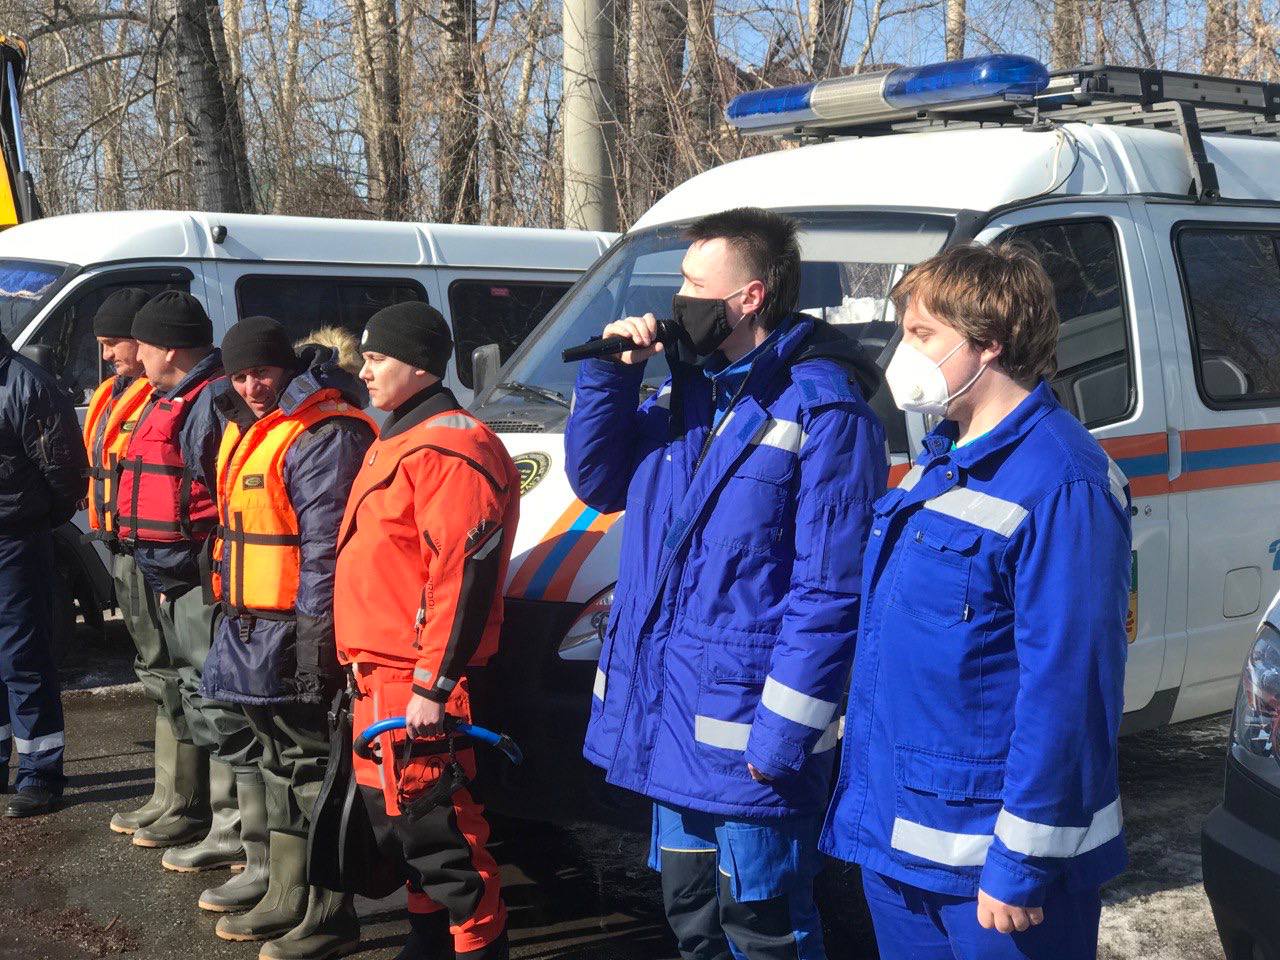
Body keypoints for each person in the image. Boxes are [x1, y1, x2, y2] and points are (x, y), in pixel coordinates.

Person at [564, 207, 887, 960]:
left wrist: (782, 737)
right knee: (692, 919)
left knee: (765, 927)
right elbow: (599, 479)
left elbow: (829, 595)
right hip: (675, 727)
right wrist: (611, 376)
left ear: (748, 298)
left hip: (750, 740)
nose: (676, 300)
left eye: (690, 284)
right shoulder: (691, 397)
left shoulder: (824, 411)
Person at [820, 243, 1131, 960]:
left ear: (987, 344)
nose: (903, 351)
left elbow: (1069, 694)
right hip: (906, 851)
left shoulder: (1063, 484)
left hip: (995, 878)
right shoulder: (942, 458)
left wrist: (1021, 865)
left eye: (923, 333)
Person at [334, 302, 519, 960]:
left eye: (377, 357)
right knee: (408, 832)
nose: (365, 369)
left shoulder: (451, 447)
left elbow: (461, 577)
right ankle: (427, 942)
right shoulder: (403, 437)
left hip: (415, 683)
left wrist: (432, 686)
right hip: (379, 680)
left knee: (446, 839)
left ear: (416, 364)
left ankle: (478, 948)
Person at [202, 317, 374, 958]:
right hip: (250, 625)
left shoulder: (322, 434)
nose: (251, 386)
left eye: (263, 373)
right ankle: (285, 890)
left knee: (311, 767)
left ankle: (330, 912)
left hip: (294, 627)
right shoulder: (251, 427)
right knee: (274, 759)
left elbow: (325, 554)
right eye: (240, 375)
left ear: (288, 369)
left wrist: (315, 648)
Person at [113, 291, 263, 875]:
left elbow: (221, 493)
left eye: (143, 344)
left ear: (169, 347)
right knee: (188, 688)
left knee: (217, 698)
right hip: (169, 570)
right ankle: (199, 809)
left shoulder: (210, 402)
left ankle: (231, 829)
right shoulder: (171, 396)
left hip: (195, 572)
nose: (133, 354)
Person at [85, 288, 177, 837]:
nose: (108, 356)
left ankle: (185, 802)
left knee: (172, 670)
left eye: (112, 343)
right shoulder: (116, 392)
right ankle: (168, 793)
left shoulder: (159, 397)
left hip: (153, 550)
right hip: (123, 545)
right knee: (153, 668)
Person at [0, 332, 87, 817]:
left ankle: (40, 775)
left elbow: (63, 471)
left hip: (14, 540)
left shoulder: (26, 384)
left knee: (22, 657)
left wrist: (30, 521)